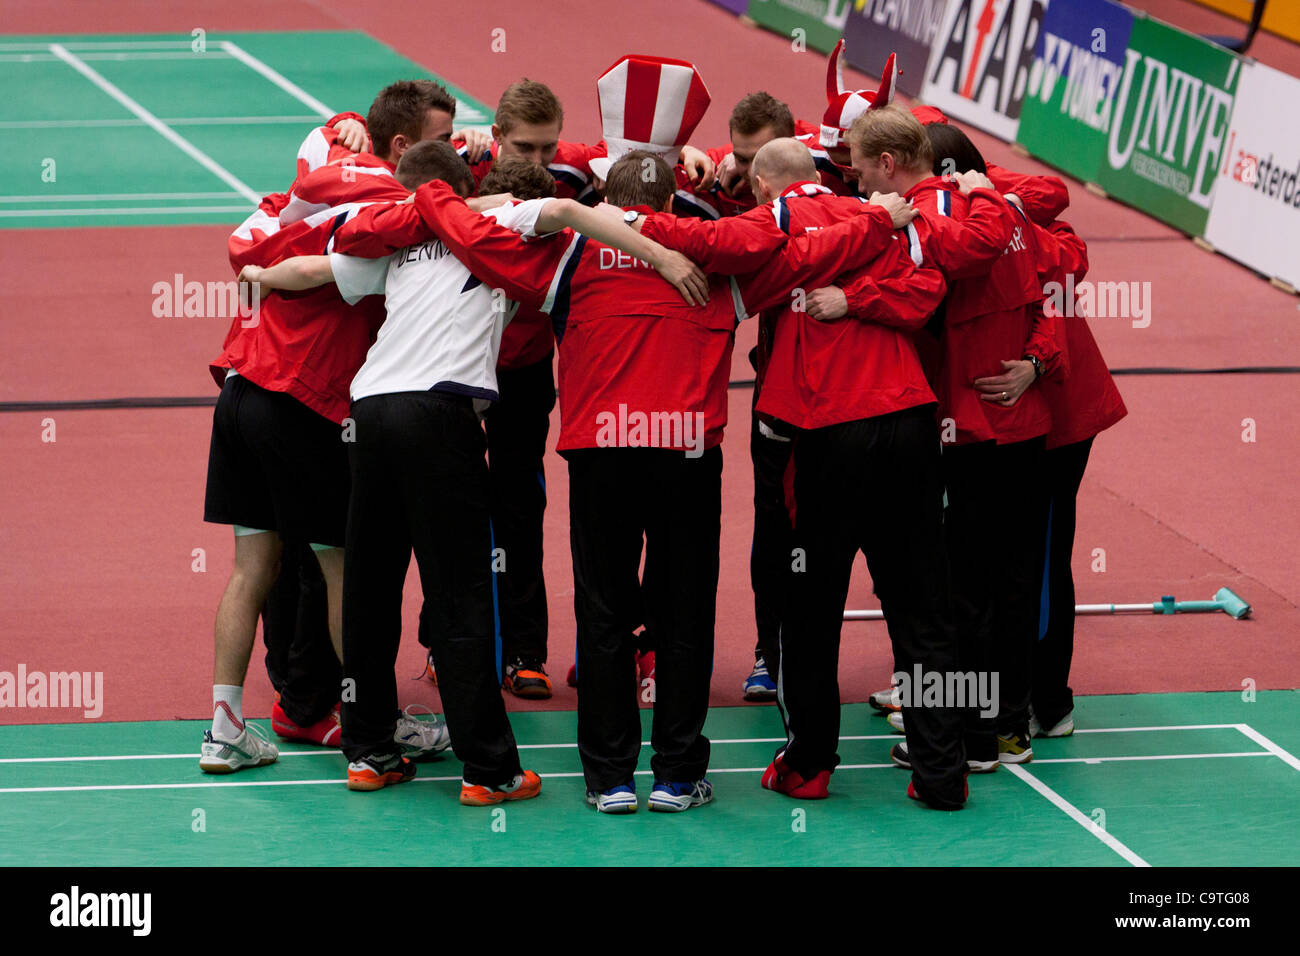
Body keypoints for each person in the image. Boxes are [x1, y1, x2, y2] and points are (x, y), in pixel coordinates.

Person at [239, 140, 707, 799]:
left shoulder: (407, 235)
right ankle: (491, 770)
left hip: (368, 414)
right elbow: (578, 212)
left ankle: (369, 751)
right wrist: (659, 251)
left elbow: (316, 271)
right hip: (439, 414)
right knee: (459, 593)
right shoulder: (506, 221)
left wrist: (259, 275)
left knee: (370, 591)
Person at [200, 80, 460, 773]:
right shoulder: (374, 220)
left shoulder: (283, 209)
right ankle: (378, 721)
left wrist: (344, 124)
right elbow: (434, 215)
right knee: (344, 572)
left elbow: (248, 244)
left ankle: (224, 726)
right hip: (302, 404)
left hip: (240, 392)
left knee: (250, 569)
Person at [843, 106, 1060, 768]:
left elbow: (911, 300)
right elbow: (1050, 299)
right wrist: (1038, 363)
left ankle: (966, 737)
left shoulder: (936, 225)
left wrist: (848, 300)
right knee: (1014, 583)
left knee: (959, 593)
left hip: (966, 434)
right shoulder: (1005, 210)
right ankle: (1006, 726)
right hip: (1023, 427)